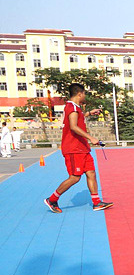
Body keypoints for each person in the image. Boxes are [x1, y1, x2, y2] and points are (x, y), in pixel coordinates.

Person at [44, 83, 113, 212]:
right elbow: (73, 126)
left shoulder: (76, 108)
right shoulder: (72, 107)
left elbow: (77, 118)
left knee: (91, 173)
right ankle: (52, 199)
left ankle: (97, 202)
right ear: (80, 94)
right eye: (84, 93)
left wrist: (89, 113)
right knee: (75, 177)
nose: (85, 96)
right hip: (73, 148)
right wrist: (91, 138)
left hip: (82, 148)